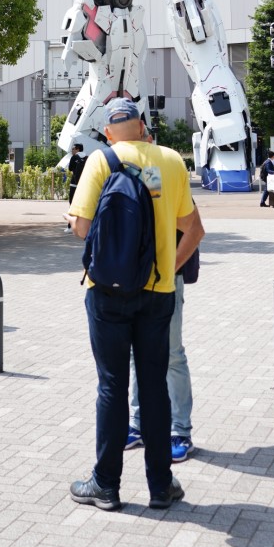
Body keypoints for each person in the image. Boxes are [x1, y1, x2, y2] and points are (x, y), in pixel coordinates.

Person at [68, 97, 205, 512]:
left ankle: (106, 486)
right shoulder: (170, 161)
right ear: (143, 125)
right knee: (154, 387)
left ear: (108, 132)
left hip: (107, 292)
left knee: (112, 385)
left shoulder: (100, 161)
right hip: (158, 294)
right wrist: (166, 267)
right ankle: (160, 486)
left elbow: (80, 227)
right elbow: (194, 230)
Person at [126, 231, 197, 463]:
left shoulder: (175, 192)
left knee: (172, 354)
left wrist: (169, 269)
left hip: (167, 279)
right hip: (136, 276)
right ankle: (138, 423)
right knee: (136, 353)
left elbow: (195, 230)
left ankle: (180, 430)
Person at [65, 143, 87, 231]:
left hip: (74, 183)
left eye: (73, 148)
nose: (72, 150)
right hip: (84, 184)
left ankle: (70, 226)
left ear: (77, 149)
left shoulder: (74, 157)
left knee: (72, 204)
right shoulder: (87, 157)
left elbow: (70, 168)